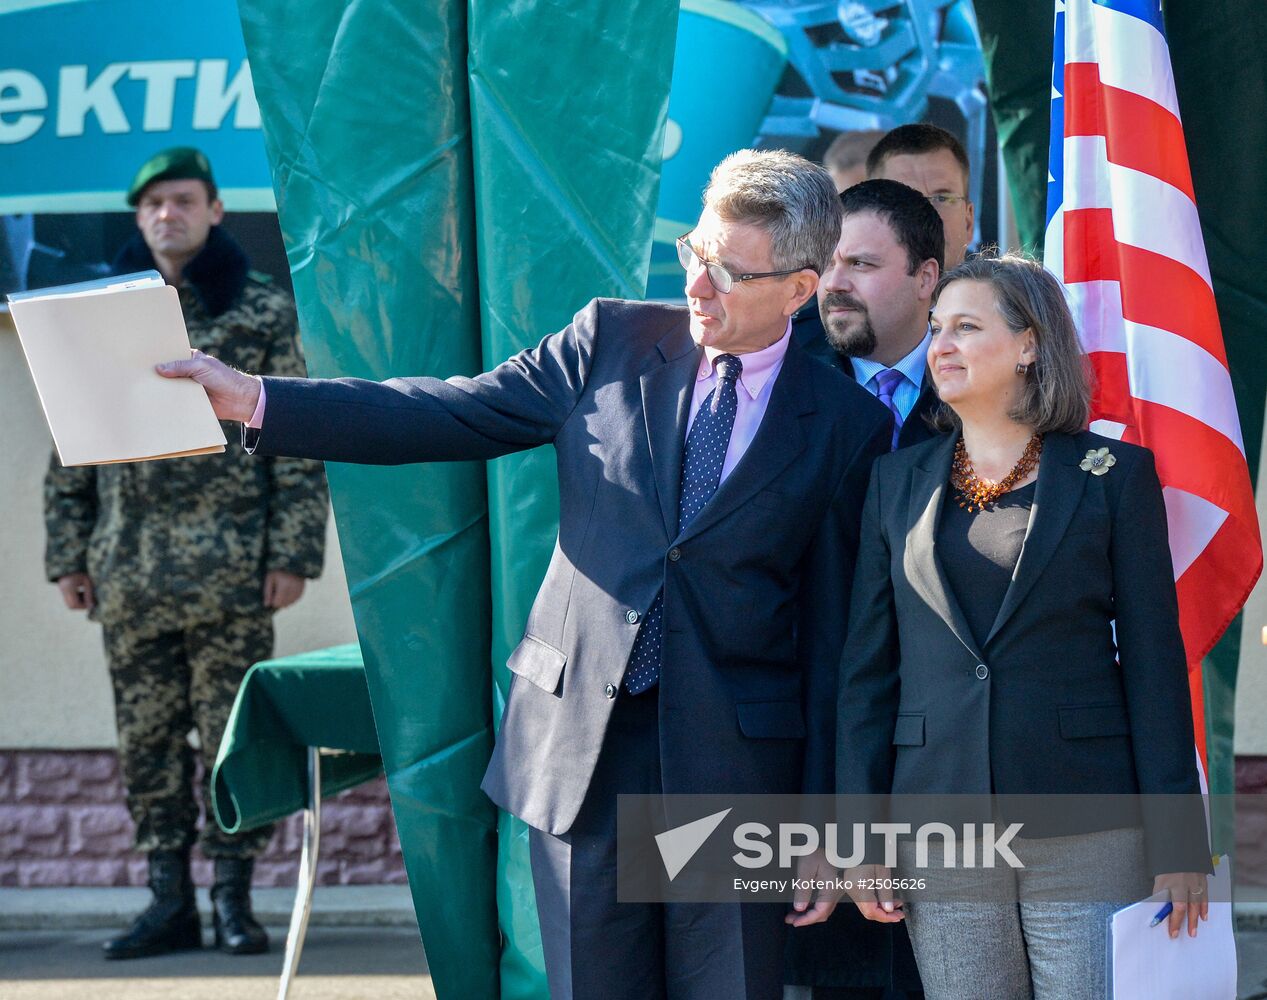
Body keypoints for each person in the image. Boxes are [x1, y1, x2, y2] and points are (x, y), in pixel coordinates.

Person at [155, 149, 894, 1000]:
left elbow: (837, 641)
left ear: (799, 290)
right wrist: (256, 399)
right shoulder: (609, 340)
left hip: (733, 767)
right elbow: (446, 410)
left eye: (728, 272)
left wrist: (829, 824)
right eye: (696, 252)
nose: (697, 285)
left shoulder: (847, 424)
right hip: (581, 748)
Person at [815, 254, 1212, 998]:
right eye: (936, 329)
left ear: (1030, 344)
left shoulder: (1115, 475)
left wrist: (1178, 839)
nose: (941, 345)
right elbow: (864, 676)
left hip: (1086, 821)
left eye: (966, 327)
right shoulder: (893, 482)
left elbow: (1156, 664)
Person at [43, 147, 330, 960]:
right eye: (152, 206)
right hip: (127, 569)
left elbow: (296, 440)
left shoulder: (263, 310)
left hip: (233, 571)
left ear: (212, 211)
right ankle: (167, 902)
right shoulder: (100, 314)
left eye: (181, 201)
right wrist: (69, 552)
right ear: (137, 218)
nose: (166, 216)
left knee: (229, 739)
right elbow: (70, 443)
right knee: (148, 742)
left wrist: (292, 554)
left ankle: (234, 903)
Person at [794, 179, 944, 453]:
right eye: (826, 264)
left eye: (860, 264)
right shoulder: (787, 370)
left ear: (925, 278)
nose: (833, 283)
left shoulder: (975, 372)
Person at [866, 123, 974, 271]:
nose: (928, 217)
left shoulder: (1008, 294)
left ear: (968, 222)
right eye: (906, 199)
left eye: (942, 198)